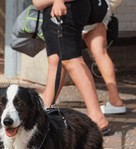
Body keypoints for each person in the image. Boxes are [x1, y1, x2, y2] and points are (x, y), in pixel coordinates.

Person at [32, 0, 110, 135]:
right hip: (59, 10)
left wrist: (58, 1)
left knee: (72, 61)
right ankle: (47, 103)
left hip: (63, 10)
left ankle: (96, 116)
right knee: (56, 59)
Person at [41, 0, 126, 115]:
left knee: (68, 59)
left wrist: (58, 1)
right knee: (100, 53)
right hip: (98, 7)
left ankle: (96, 115)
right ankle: (115, 100)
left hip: (72, 9)